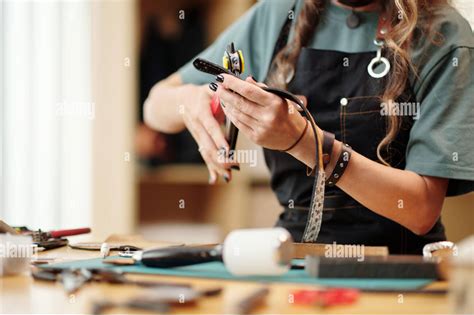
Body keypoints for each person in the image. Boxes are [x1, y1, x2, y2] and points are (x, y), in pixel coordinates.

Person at [143, 0, 474, 254]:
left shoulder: (444, 36)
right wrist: (191, 100)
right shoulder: (280, 12)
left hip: (399, 268)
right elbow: (154, 105)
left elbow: (420, 209)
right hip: (295, 260)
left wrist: (304, 141)